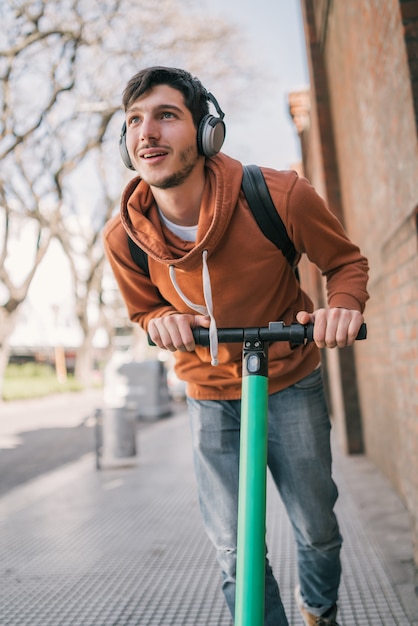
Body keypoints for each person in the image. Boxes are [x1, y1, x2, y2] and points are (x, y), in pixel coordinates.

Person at [104, 66, 369, 626]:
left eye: (166, 116)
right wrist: (160, 318)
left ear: (207, 133)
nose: (146, 132)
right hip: (208, 392)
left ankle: (319, 612)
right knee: (232, 547)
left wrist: (342, 306)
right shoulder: (124, 236)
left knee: (317, 528)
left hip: (291, 380)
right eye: (133, 121)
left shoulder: (278, 195)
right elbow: (143, 310)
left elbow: (345, 262)